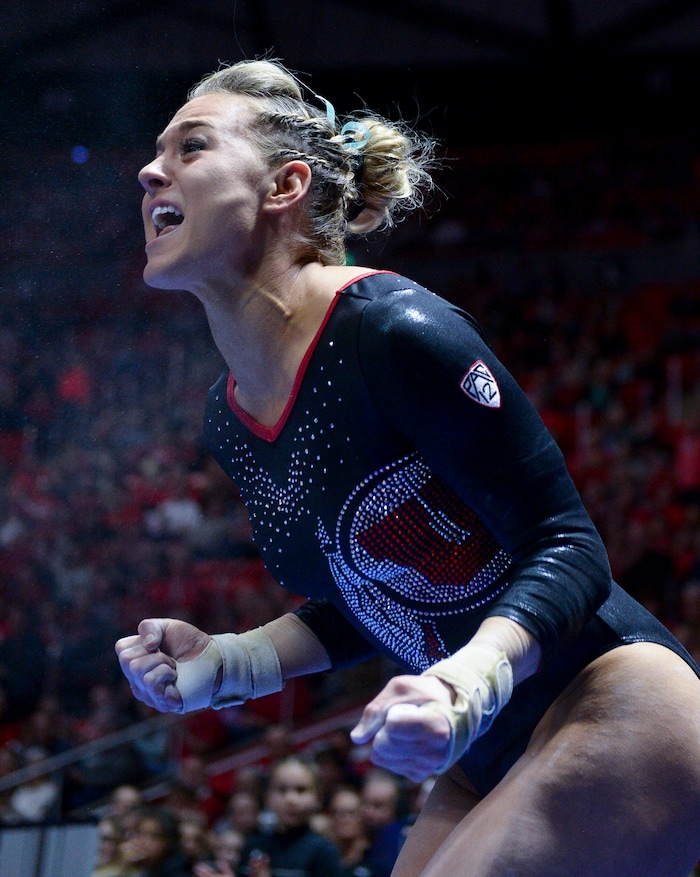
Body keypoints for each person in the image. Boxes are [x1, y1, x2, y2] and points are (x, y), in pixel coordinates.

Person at [115, 57, 700, 876]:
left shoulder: (393, 331)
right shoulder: (231, 414)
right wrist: (228, 660)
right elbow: (372, 594)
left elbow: (570, 549)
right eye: (156, 152)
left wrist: (465, 681)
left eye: (191, 147)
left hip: (607, 695)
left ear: (284, 185)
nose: (149, 171)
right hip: (484, 740)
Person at [234, 755, 343, 877]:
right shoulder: (253, 846)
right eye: (282, 790)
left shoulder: (323, 852)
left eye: (301, 790)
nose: (291, 799)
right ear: (267, 797)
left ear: (318, 797)